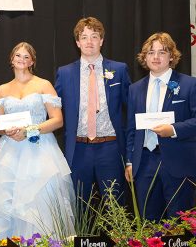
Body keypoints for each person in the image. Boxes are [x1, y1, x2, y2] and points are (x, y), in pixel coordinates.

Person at [0, 42, 76, 239]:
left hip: (40, 150)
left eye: (26, 57)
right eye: (18, 56)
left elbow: (58, 120)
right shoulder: (2, 89)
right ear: (11, 59)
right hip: (9, 153)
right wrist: (6, 130)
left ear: (32, 61)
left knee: (39, 201)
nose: (22, 60)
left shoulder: (43, 85)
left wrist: (29, 130)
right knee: (6, 204)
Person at [55, 17, 131, 204]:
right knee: (79, 206)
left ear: (101, 41)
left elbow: (131, 110)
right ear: (77, 42)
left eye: (94, 36)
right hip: (79, 148)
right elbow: (53, 109)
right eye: (84, 37)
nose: (89, 41)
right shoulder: (64, 73)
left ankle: (116, 236)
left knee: (115, 207)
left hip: (110, 148)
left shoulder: (119, 69)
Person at [126, 32, 196, 221]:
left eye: (162, 52)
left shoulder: (190, 84)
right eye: (150, 52)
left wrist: (173, 130)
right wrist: (130, 162)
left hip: (178, 162)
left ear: (171, 56)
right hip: (144, 162)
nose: (155, 57)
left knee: (181, 224)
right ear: (144, 57)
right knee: (148, 223)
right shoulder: (135, 89)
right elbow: (131, 129)